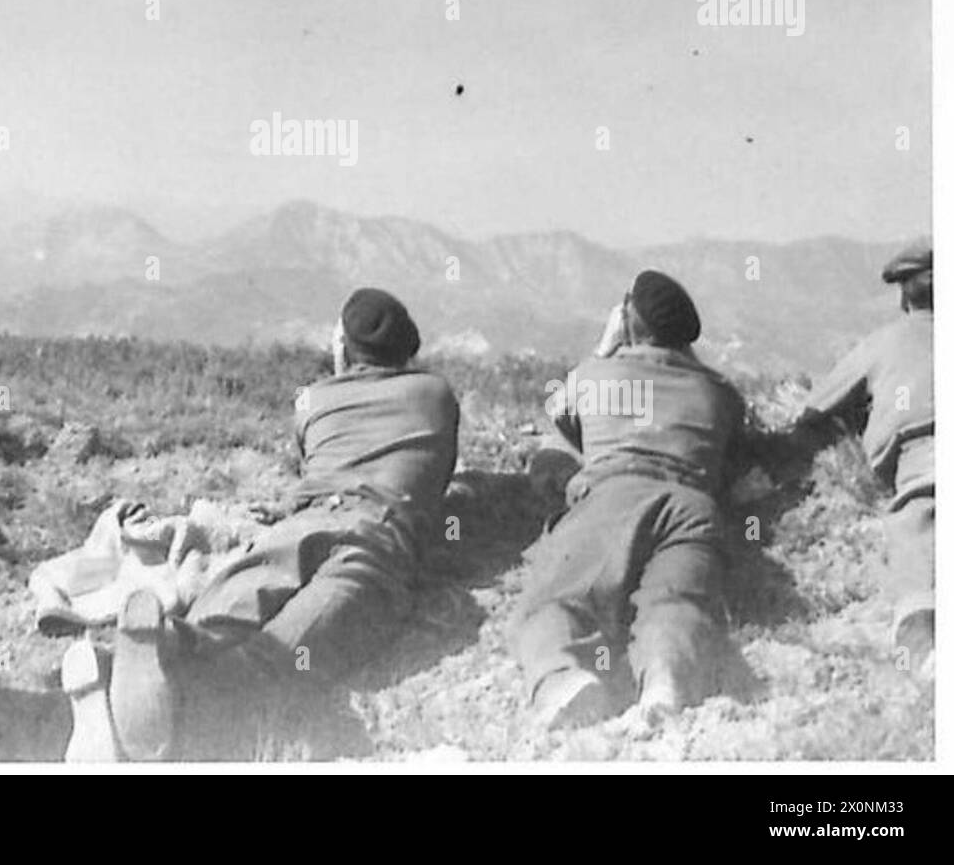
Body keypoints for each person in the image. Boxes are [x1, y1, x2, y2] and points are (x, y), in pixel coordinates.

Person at [77, 287, 460, 760]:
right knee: (286, 654)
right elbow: (439, 477)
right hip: (376, 536)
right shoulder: (436, 395)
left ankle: (162, 653)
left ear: (343, 348)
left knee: (217, 615)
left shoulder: (314, 400)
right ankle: (176, 706)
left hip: (302, 525)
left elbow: (311, 457)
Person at [505, 270, 747, 730]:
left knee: (555, 603)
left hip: (612, 498)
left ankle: (562, 678)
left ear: (627, 320)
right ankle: (666, 677)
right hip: (693, 508)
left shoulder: (595, 375)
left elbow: (561, 417)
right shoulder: (721, 393)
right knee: (676, 602)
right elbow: (734, 451)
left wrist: (607, 346)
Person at [792, 238, 934, 677]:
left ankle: (928, 649)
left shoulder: (884, 343)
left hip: (925, 466)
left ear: (904, 296)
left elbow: (814, 412)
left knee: (919, 538)